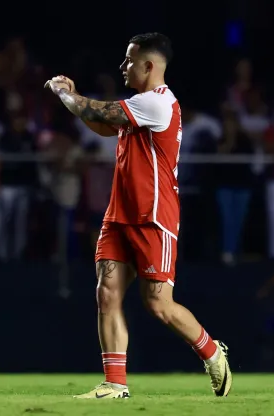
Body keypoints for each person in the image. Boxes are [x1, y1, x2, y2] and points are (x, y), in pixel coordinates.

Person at [45, 33, 232, 399]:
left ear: (149, 66)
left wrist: (65, 93)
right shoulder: (138, 104)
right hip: (120, 214)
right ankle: (115, 383)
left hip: (154, 217)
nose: (122, 66)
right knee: (107, 293)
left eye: (129, 60)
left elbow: (96, 111)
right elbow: (102, 124)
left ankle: (212, 352)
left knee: (157, 304)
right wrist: (76, 101)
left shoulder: (159, 104)